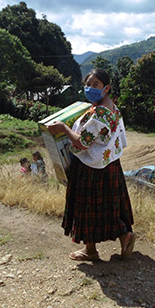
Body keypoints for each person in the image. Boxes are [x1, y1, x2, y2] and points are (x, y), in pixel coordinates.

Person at [46, 68, 135, 261]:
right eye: (87, 84)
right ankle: (124, 235)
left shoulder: (99, 114)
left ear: (106, 88)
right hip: (109, 164)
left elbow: (82, 142)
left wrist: (63, 128)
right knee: (109, 204)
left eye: (95, 85)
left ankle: (90, 250)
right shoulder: (112, 108)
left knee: (87, 207)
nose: (90, 88)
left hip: (91, 167)